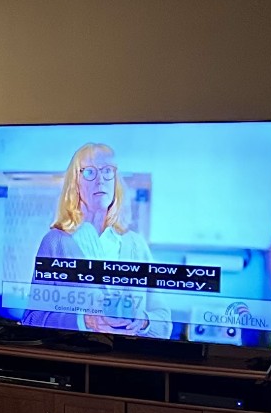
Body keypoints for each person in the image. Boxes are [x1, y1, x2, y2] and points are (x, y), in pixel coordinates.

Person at [25, 142, 169, 336]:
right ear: (75, 184)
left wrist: (143, 322)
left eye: (107, 170)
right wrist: (84, 320)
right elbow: (31, 318)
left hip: (129, 362)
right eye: (89, 172)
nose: (100, 180)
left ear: (115, 181)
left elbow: (165, 325)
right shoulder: (55, 242)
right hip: (76, 360)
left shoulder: (136, 244)